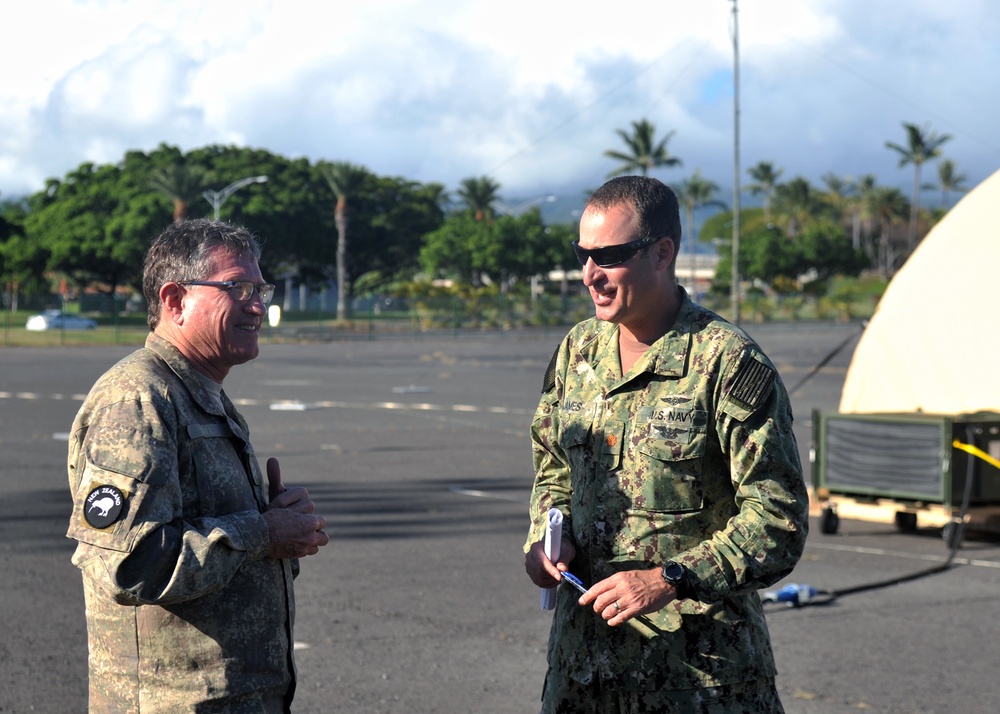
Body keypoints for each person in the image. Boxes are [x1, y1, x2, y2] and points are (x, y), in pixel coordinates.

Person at [523, 176, 809, 713]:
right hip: (582, 673)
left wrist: (670, 579)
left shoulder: (726, 362)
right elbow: (553, 465)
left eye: (609, 256)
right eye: (583, 255)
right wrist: (544, 539)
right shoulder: (578, 351)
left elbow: (778, 520)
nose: (591, 275)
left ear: (662, 253)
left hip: (697, 680)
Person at [66, 219, 330, 713]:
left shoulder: (201, 393)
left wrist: (280, 532)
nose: (258, 304)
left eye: (260, 288)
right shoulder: (137, 400)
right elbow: (127, 565)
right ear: (174, 300)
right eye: (237, 287)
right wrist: (261, 532)